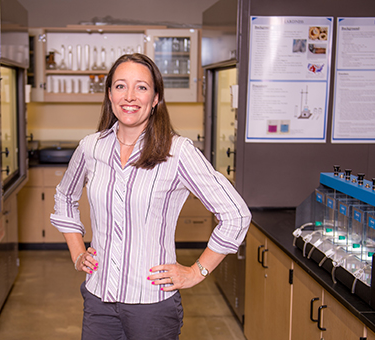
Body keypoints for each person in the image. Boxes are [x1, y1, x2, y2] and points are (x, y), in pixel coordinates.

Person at [50, 53, 251, 340]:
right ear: (109, 94)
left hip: (152, 305)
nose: (129, 96)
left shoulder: (178, 152)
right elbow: (64, 196)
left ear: (155, 97)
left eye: (141, 87)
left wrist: (197, 271)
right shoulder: (90, 147)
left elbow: (236, 214)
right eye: (120, 86)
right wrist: (77, 252)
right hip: (98, 298)